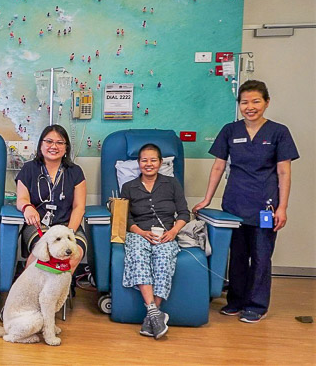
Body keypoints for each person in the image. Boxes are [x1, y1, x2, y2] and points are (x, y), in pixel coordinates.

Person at [193, 80, 298, 323]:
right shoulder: (230, 130)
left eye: (255, 101)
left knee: (261, 256)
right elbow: (219, 166)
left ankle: (257, 305)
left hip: (265, 205)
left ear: (266, 102)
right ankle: (236, 301)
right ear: (239, 104)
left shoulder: (278, 132)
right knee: (237, 255)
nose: (249, 107)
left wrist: (283, 207)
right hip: (235, 204)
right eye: (244, 102)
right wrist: (207, 198)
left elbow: (284, 172)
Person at [121, 143, 189, 339]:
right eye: (144, 160)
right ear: (138, 163)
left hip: (166, 233)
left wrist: (174, 231)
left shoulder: (172, 183)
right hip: (138, 233)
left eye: (153, 160)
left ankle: (152, 315)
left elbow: (184, 212)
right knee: (139, 256)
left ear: (160, 163)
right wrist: (140, 232)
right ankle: (154, 314)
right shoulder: (128, 187)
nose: (148, 164)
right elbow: (125, 218)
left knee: (163, 258)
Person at [15, 125, 86, 271]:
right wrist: (27, 208)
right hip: (38, 224)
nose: (54, 146)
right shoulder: (29, 169)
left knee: (75, 253)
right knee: (42, 252)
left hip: (68, 224)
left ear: (66, 148)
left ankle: (59, 292)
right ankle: (30, 291)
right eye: (49, 141)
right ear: (41, 144)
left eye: (60, 143)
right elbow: (22, 198)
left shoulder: (75, 172)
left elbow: (79, 206)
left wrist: (69, 232)